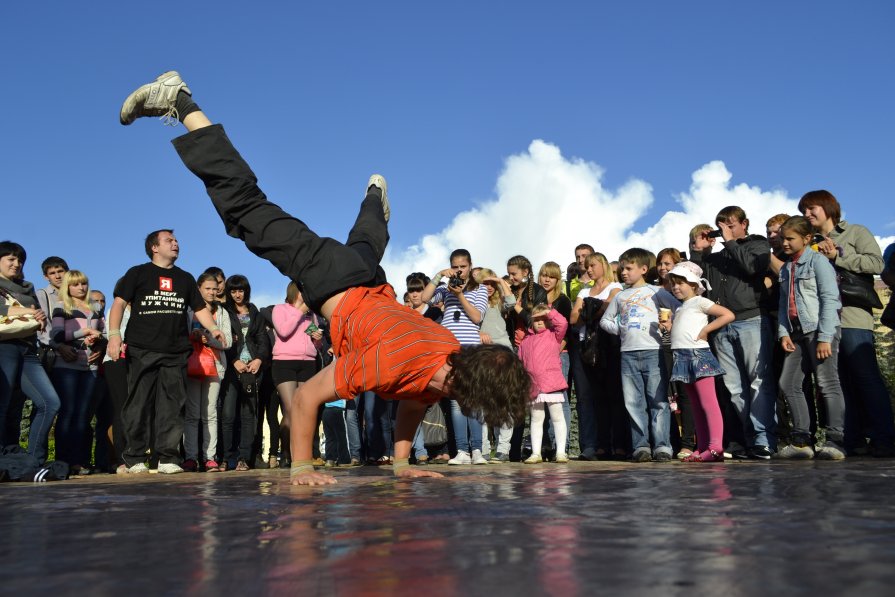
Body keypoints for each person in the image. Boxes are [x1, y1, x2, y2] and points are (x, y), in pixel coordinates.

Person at [119, 70, 529, 485]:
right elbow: (306, 398)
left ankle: (374, 202)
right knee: (245, 208)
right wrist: (302, 468)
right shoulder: (391, 362)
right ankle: (181, 101)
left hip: (370, 277)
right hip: (332, 279)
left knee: (365, 244)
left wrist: (404, 466)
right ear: (462, 382)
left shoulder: (450, 352)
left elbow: (413, 403)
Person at [106, 229, 224, 474]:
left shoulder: (185, 278)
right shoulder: (137, 273)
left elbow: (199, 307)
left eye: (177, 240)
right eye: (169, 240)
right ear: (154, 247)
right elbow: (118, 303)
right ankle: (135, 457)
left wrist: (213, 327)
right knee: (138, 404)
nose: (176, 243)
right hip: (142, 348)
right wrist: (114, 335)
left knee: (172, 405)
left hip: (176, 351)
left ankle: (168, 457)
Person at [799, 190, 894, 456]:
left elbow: (876, 263)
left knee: (865, 377)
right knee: (837, 381)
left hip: (852, 315)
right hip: (823, 322)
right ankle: (851, 439)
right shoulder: (809, 243)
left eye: (811, 209)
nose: (806, 215)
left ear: (828, 207)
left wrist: (838, 257)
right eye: (803, 211)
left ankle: (884, 437)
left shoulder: (855, 232)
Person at [691, 206, 778, 459]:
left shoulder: (758, 245)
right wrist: (699, 251)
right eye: (722, 225)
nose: (725, 229)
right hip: (722, 325)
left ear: (744, 223)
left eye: (730, 224)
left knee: (758, 381)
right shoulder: (716, 258)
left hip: (751, 320)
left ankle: (764, 439)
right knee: (734, 387)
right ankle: (750, 438)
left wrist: (729, 241)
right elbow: (697, 283)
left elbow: (753, 268)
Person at [774, 216, 847, 460]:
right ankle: (802, 440)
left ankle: (836, 440)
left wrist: (826, 336)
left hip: (819, 330)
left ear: (806, 239)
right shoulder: (786, 268)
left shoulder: (818, 262)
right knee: (789, 383)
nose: (784, 243)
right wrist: (784, 332)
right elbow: (784, 303)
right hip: (797, 333)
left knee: (827, 383)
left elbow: (830, 299)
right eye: (782, 238)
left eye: (790, 238)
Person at [600, 248, 680, 462]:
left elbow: (680, 308)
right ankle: (640, 446)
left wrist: (670, 323)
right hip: (627, 354)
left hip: (653, 351)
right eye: (622, 269)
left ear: (644, 269)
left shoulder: (656, 292)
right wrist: (622, 329)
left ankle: (663, 446)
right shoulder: (620, 296)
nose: (624, 272)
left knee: (658, 400)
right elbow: (605, 321)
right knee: (633, 402)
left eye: (629, 268)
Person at [660, 262, 734, 462]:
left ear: (693, 284)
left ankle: (715, 447)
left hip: (698, 356)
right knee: (695, 405)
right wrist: (671, 326)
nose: (676, 287)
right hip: (682, 357)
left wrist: (706, 331)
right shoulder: (682, 306)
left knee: (708, 403)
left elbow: (727, 314)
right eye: (673, 284)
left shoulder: (700, 302)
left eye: (680, 283)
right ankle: (701, 447)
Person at [422, 249, 490, 465]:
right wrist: (439, 275)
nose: (459, 270)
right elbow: (424, 299)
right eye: (455, 266)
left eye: (463, 266)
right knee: (456, 402)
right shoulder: (444, 288)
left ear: (470, 266)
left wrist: (460, 294)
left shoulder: (479, 289)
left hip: (470, 349)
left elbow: (477, 316)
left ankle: (477, 450)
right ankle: (461, 450)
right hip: (449, 349)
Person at [0, 241, 60, 464]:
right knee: (3, 404)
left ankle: (34, 460)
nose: (17, 264)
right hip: (4, 346)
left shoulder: (27, 287)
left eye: (20, 260)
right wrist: (29, 311)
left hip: (27, 350)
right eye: (11, 259)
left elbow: (36, 314)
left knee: (50, 402)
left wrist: (40, 318)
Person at [570, 252, 625, 459]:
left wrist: (588, 310)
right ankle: (601, 444)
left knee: (614, 395)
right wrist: (592, 309)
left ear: (603, 264)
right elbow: (574, 318)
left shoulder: (615, 287)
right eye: (586, 266)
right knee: (597, 397)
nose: (588, 269)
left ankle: (619, 444)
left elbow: (609, 306)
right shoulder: (584, 290)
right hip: (588, 346)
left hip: (608, 344)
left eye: (592, 265)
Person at [50, 270, 105, 474]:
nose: (80, 288)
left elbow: (105, 334)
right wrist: (84, 332)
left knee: (83, 415)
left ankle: (79, 461)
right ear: (68, 287)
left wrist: (99, 344)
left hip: (89, 367)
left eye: (83, 283)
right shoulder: (61, 307)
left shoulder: (96, 308)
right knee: (67, 413)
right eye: (75, 284)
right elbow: (56, 336)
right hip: (66, 367)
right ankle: (62, 461)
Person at [265, 282, 323, 468]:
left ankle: (300, 456)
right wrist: (299, 311)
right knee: (291, 410)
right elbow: (283, 331)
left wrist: (318, 340)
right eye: (303, 292)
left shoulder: (311, 315)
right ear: (295, 292)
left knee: (303, 410)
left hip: (307, 364)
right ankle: (287, 453)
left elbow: (315, 344)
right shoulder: (280, 310)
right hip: (284, 363)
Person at [183, 272, 232, 472]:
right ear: (199, 289)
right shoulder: (188, 310)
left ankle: (210, 457)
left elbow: (226, 341)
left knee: (210, 413)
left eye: (215, 288)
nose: (212, 292)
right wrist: (193, 336)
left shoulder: (222, 313)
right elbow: (179, 336)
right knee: (192, 413)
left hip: (215, 366)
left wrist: (208, 339)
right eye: (208, 288)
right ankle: (191, 457)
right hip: (192, 365)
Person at [221, 274, 270, 471]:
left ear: (246, 291)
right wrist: (234, 360)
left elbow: (263, 340)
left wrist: (259, 359)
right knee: (228, 414)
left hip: (253, 368)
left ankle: (244, 458)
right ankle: (226, 457)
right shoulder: (224, 312)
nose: (237, 294)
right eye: (233, 291)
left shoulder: (254, 312)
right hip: (232, 368)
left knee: (249, 415)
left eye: (240, 290)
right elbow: (224, 339)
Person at [518, 304, 569, 464]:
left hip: (552, 383)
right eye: (536, 319)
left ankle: (561, 452)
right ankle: (536, 453)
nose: (539, 322)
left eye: (543, 319)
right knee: (536, 418)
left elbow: (563, 323)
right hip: (533, 386)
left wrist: (549, 311)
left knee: (557, 417)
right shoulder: (525, 341)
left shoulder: (554, 335)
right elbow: (520, 363)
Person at [475, 268, 516, 462]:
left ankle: (503, 449)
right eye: (485, 283)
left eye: (492, 284)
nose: (489, 287)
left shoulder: (499, 302)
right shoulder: (473, 303)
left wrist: (499, 280)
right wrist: (478, 335)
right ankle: (483, 448)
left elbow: (512, 301)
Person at [537, 261, 573, 457]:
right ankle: (544, 446)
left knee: (560, 400)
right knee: (539, 400)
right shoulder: (535, 299)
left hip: (559, 355)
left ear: (558, 279)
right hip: (538, 358)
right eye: (543, 275)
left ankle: (562, 446)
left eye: (551, 276)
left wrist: (553, 351)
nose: (546, 279)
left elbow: (566, 331)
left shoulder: (563, 300)